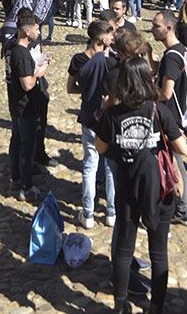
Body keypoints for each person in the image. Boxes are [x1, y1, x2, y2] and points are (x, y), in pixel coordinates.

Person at [95, 56, 187, 314]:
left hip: (127, 185)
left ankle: (121, 305)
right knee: (158, 252)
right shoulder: (159, 110)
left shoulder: (113, 113)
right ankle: (155, 307)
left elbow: (100, 148)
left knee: (124, 250)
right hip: (158, 187)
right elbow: (183, 147)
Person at [151, 10, 187, 226]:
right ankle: (181, 207)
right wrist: (151, 60)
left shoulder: (171, 56)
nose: (152, 29)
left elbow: (166, 93)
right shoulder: (179, 50)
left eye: (156, 26)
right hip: (177, 116)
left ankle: (181, 209)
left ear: (169, 28)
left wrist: (145, 95)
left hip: (171, 117)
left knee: (174, 164)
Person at [69, 19, 116, 228]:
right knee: (110, 167)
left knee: (90, 165)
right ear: (101, 38)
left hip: (88, 116)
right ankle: (111, 212)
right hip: (107, 118)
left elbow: (71, 88)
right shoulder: (110, 61)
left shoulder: (78, 60)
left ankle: (87, 214)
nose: (113, 38)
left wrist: (89, 92)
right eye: (110, 35)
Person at [5, 10, 47, 202]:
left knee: (17, 142)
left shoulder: (13, 47)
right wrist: (40, 71)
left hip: (16, 104)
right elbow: (28, 83)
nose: (39, 32)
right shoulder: (21, 54)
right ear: (27, 31)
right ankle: (26, 186)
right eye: (37, 29)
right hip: (25, 106)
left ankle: (16, 179)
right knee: (26, 147)